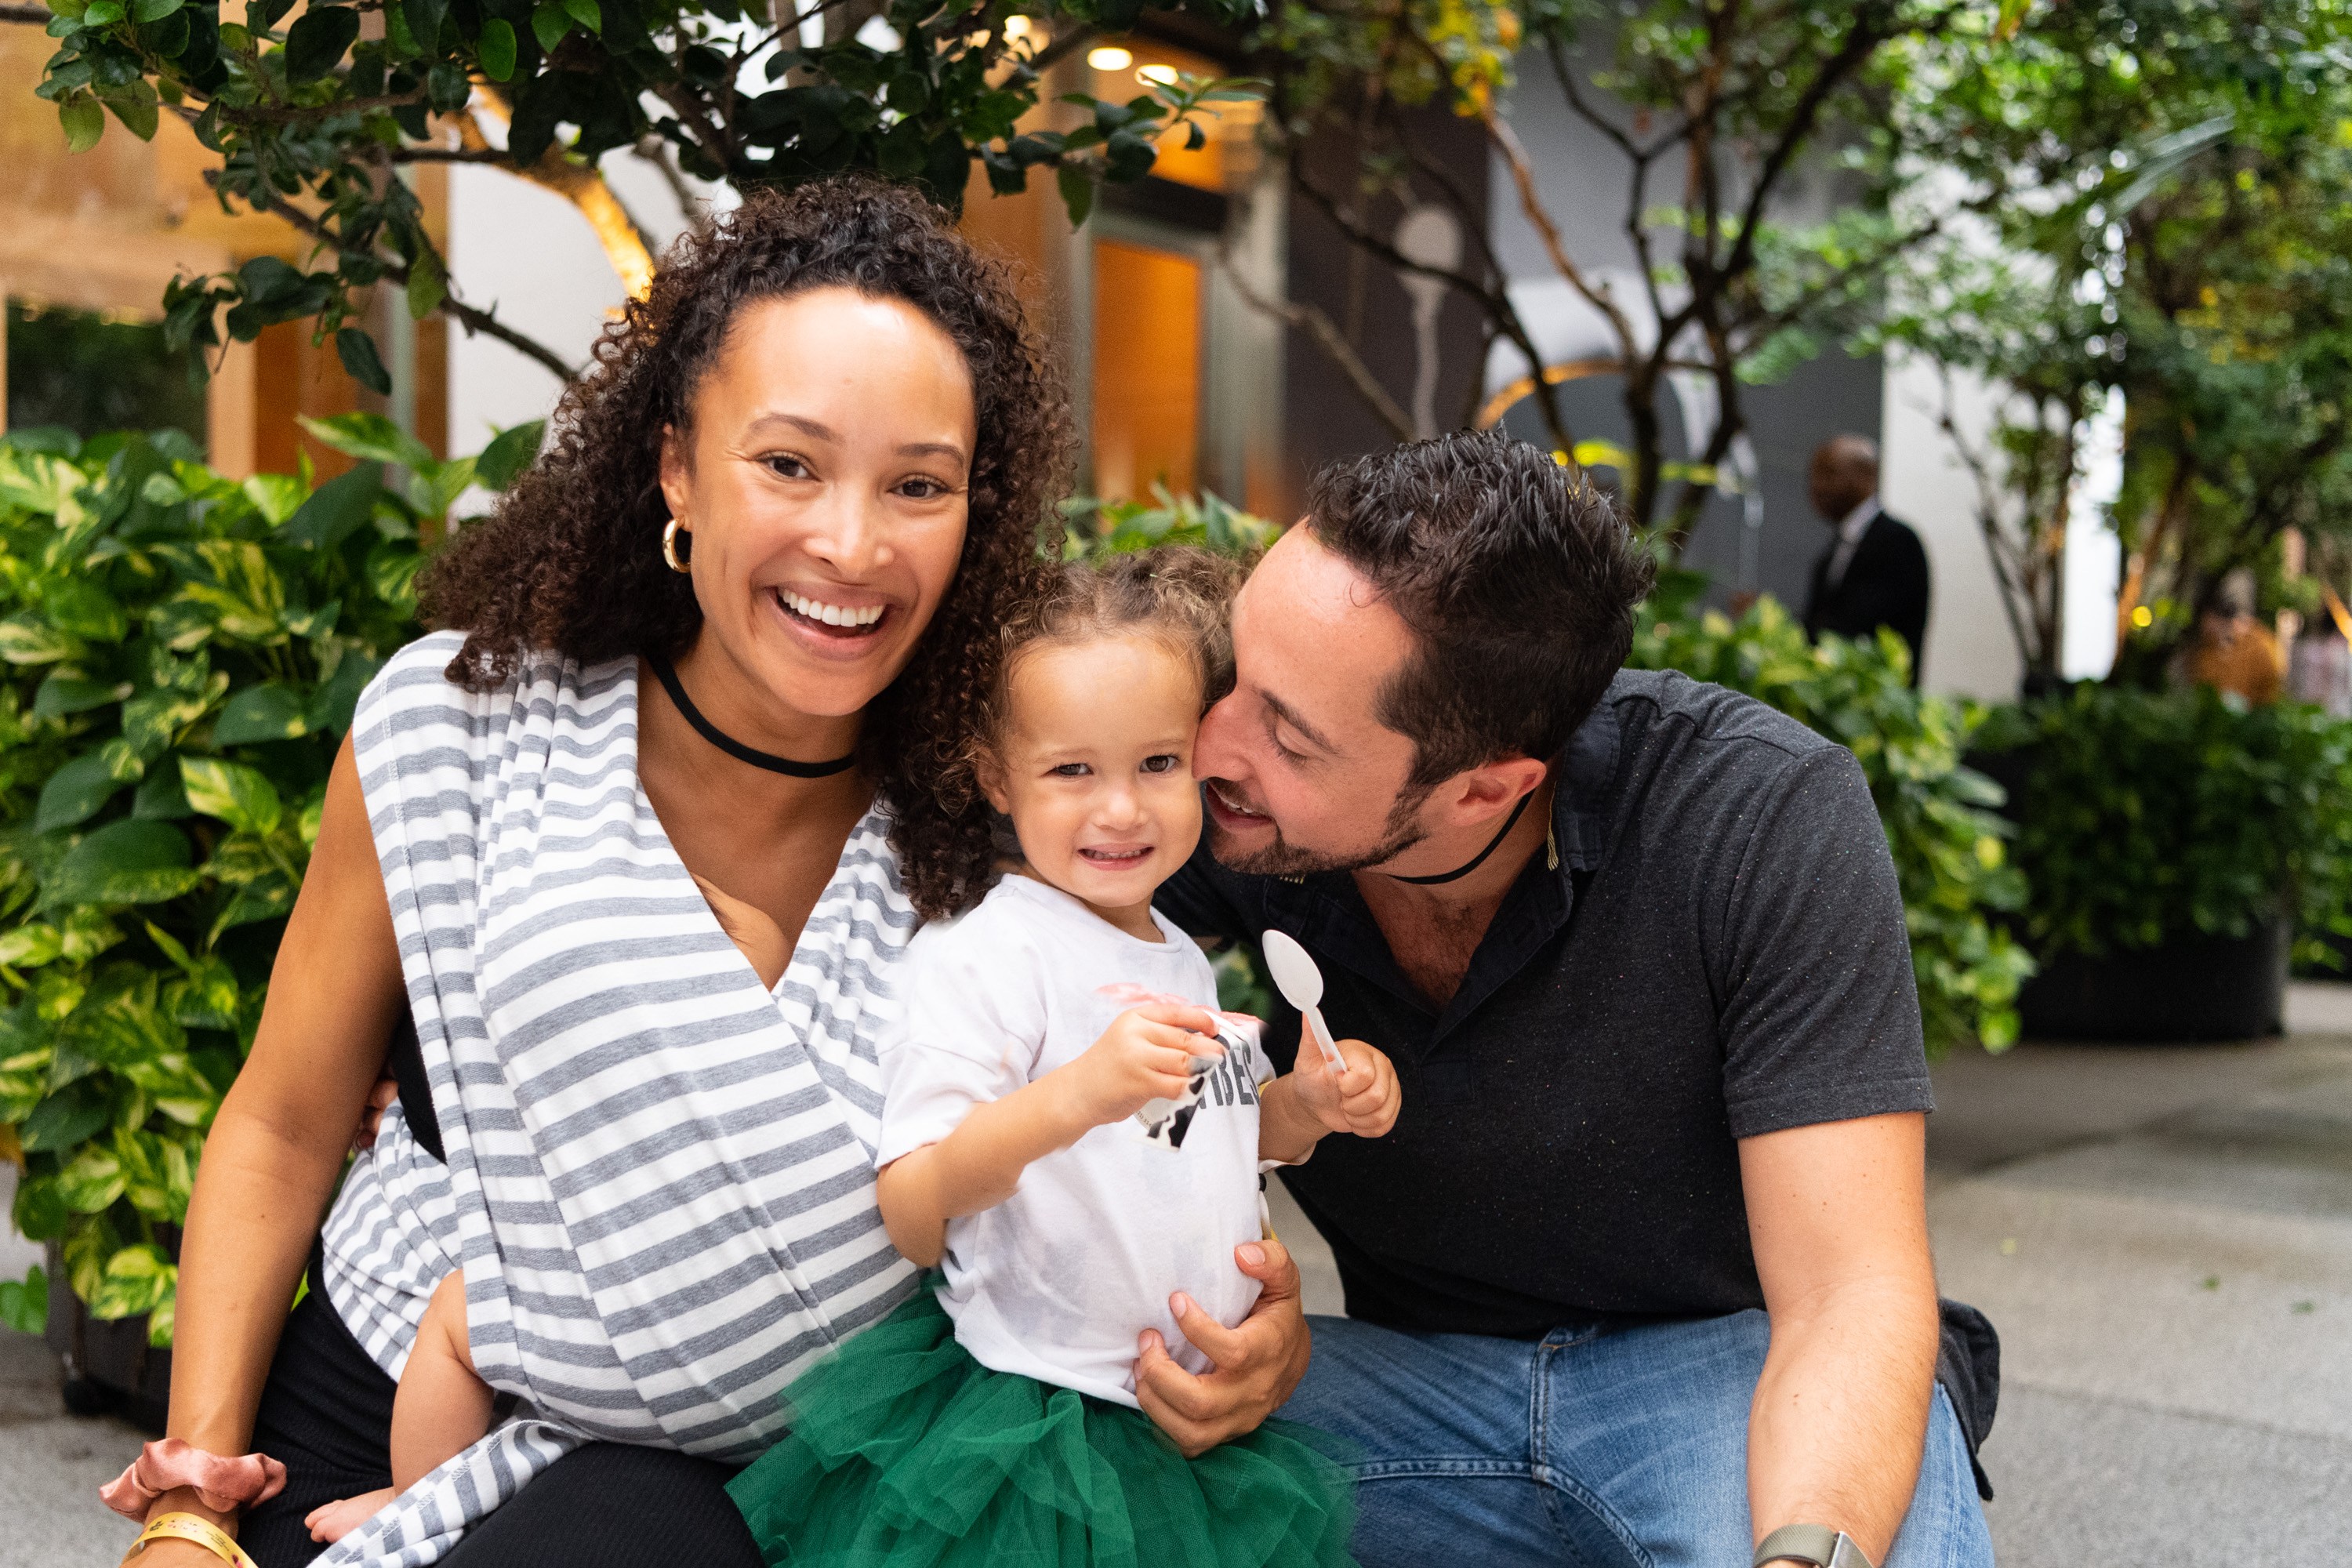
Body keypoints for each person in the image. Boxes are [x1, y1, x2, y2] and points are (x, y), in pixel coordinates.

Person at [100, 180, 1311, 1568]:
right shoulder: (469, 732)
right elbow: (285, 1124)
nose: (851, 547)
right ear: (676, 468)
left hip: (832, 1498)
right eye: (789, 465)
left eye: (917, 485)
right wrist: (190, 1503)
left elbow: (1152, 1144)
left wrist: (1251, 1337)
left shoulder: (1028, 831)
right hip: (392, 1417)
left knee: (656, 1524)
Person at [1155, 430, 1998, 1568]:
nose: (1211, 743)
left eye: (1288, 735)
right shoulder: (1215, 797)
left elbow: (1850, 1294)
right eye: (1233, 677)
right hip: (1400, 1381)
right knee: (1053, 1441)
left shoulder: (1757, 816)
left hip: (1726, 1378)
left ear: (1487, 788)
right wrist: (1241, 1307)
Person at [728, 550, 1399, 1566]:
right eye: (1072, 770)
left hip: (1178, 1424)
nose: (1121, 809)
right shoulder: (995, 951)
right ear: (999, 775)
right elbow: (916, 1207)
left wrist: (1307, 1106)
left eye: (1158, 764)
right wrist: (1076, 1093)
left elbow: (1199, 1134)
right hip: (1034, 1430)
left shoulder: (1178, 954)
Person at [1800, 434, 1930, 681]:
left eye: (1829, 473)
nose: (1816, 486)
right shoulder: (1833, 552)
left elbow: (1860, 630)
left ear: (1866, 477)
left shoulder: (1898, 543)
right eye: (1814, 475)